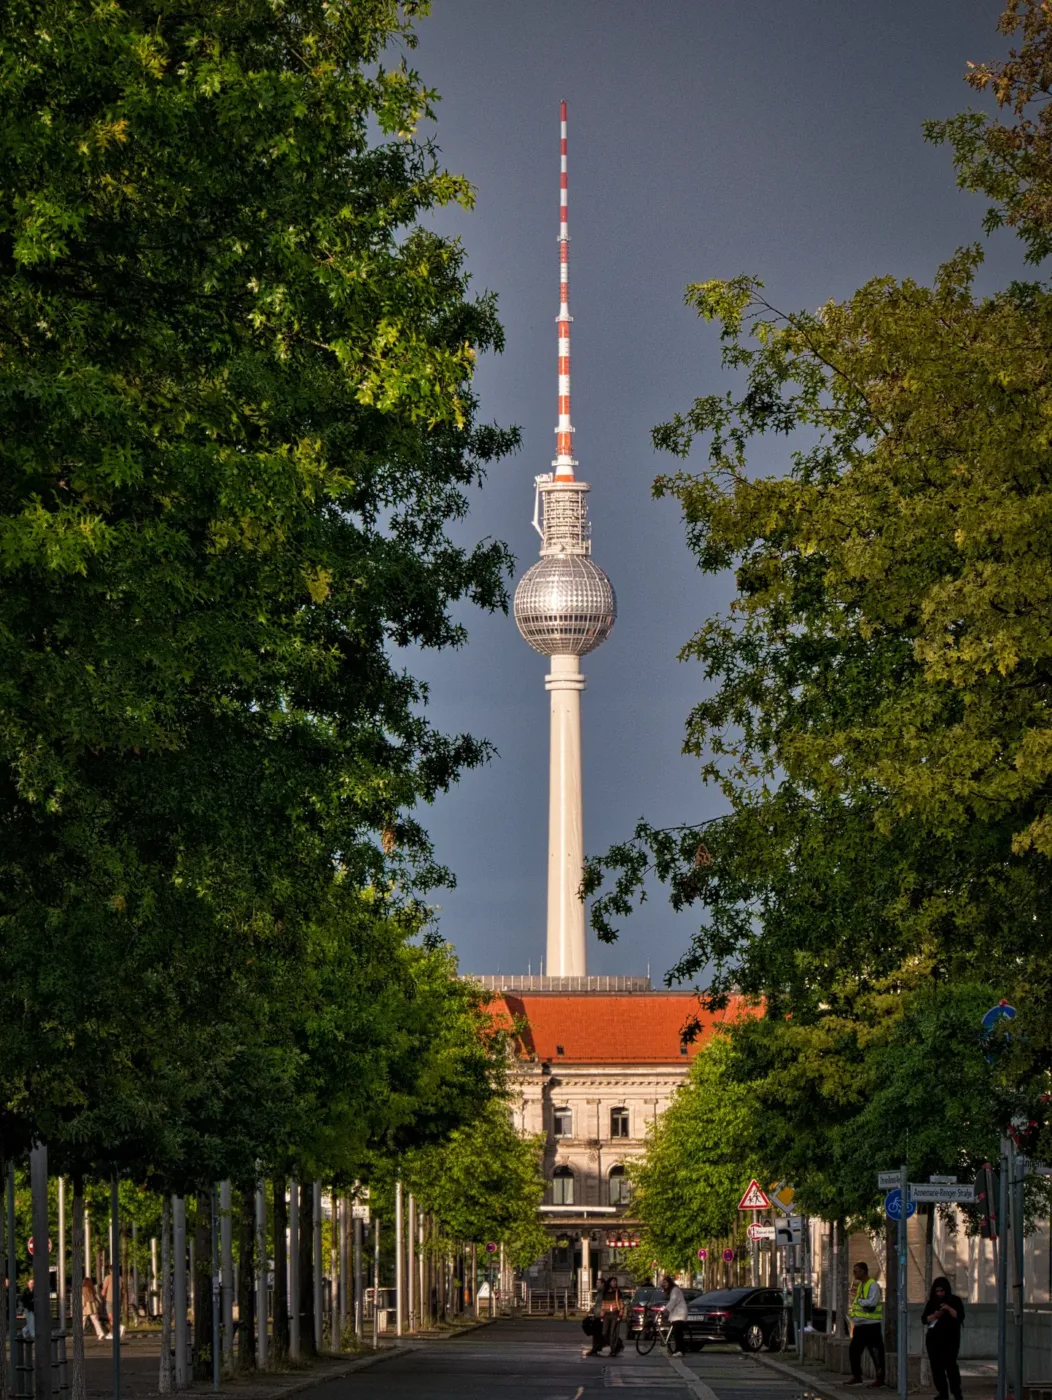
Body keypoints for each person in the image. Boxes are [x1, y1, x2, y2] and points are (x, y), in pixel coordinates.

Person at [921, 1276, 965, 1400]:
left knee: (950, 1366)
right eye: (937, 1291)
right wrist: (935, 1315)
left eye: (942, 1291)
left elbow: (960, 1316)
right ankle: (943, 1393)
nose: (940, 1294)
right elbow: (924, 1319)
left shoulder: (955, 1300)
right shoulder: (932, 1302)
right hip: (934, 1339)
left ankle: (956, 1392)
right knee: (936, 1368)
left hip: (950, 1339)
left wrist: (949, 1309)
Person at [845, 1261, 885, 1388]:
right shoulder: (861, 1285)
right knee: (854, 1350)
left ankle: (880, 1379)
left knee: (876, 1352)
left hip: (871, 1325)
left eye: (856, 1271)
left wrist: (859, 1301)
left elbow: (872, 1303)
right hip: (860, 1325)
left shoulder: (872, 1285)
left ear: (863, 1271)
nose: (854, 1274)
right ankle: (857, 1376)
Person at [662, 1274, 689, 1355]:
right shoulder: (673, 1290)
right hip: (677, 1313)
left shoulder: (675, 1290)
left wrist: (666, 1309)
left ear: (669, 1282)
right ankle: (681, 1349)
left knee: (677, 1332)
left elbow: (673, 1301)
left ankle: (679, 1350)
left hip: (679, 1314)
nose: (664, 1284)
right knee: (677, 1332)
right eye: (663, 1283)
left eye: (665, 1282)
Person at [599, 1275, 624, 1356]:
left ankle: (613, 1350)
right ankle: (617, 1345)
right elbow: (603, 1304)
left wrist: (620, 1314)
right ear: (609, 1282)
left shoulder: (617, 1292)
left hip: (615, 1314)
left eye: (615, 1281)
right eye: (613, 1281)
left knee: (613, 1332)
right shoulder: (605, 1292)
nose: (615, 1283)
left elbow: (621, 1303)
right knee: (604, 1332)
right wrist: (602, 1315)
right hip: (606, 1315)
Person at [100, 1265, 126, 1340]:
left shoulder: (108, 1277)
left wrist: (102, 1294)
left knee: (111, 1318)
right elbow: (122, 1291)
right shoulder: (120, 1278)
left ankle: (118, 1329)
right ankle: (114, 1333)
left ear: (110, 1270)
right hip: (118, 1300)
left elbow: (104, 1289)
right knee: (116, 1317)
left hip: (110, 1299)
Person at [82, 1275, 105, 1340]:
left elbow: (83, 1298)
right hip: (93, 1304)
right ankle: (101, 1333)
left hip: (86, 1305)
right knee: (95, 1320)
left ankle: (79, 1334)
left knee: (83, 1320)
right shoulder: (91, 1288)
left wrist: (82, 1306)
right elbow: (95, 1296)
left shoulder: (83, 1288)